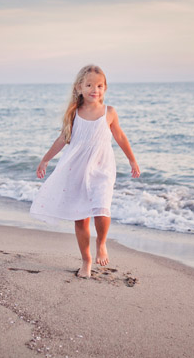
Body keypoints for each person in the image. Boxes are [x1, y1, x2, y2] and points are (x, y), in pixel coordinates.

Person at [31, 64, 140, 278]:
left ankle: (101, 242)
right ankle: (86, 260)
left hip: (102, 168)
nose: (94, 89)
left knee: (102, 207)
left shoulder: (109, 112)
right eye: (89, 85)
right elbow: (62, 139)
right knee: (81, 218)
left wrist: (132, 160)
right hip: (77, 169)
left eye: (99, 85)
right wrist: (45, 160)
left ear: (105, 88)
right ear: (79, 87)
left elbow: (120, 137)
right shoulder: (74, 113)